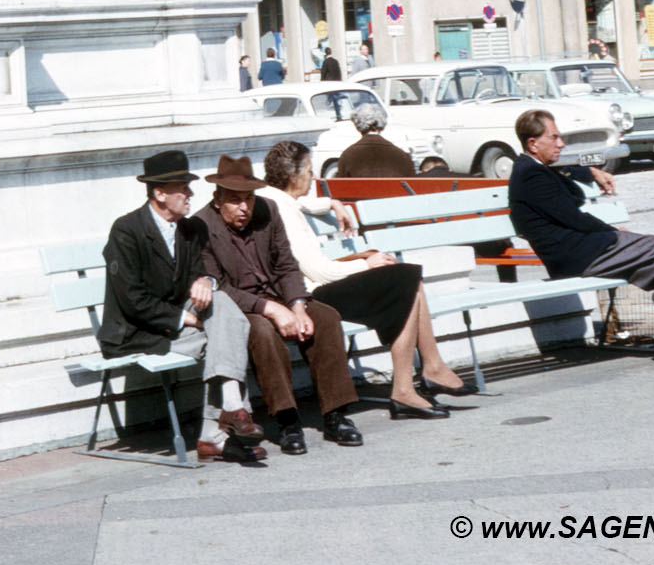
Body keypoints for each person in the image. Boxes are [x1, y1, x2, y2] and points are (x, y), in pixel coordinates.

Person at [508, 111, 654, 372]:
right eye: (554, 138)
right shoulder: (530, 176)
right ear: (533, 143)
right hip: (577, 256)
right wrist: (614, 232)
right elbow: (574, 219)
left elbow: (561, 174)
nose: (561, 143)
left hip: (585, 250)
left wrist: (590, 170)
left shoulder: (534, 168)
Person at [262, 140, 466, 414]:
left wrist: (333, 203)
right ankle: (417, 379)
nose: (312, 177)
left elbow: (303, 206)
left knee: (406, 279)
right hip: (312, 296)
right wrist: (367, 265)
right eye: (309, 170)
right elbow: (320, 271)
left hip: (312, 288)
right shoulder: (283, 211)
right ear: (293, 175)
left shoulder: (273, 197)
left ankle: (425, 372)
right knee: (405, 278)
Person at [100, 149, 265, 465]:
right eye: (182, 188)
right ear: (159, 194)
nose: (190, 194)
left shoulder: (191, 230)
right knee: (227, 332)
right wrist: (187, 318)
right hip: (139, 332)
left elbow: (197, 275)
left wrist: (206, 280)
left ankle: (227, 418)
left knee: (224, 314)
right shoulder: (127, 231)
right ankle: (217, 431)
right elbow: (132, 300)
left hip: (181, 328)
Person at [196, 153, 364, 453]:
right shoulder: (201, 226)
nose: (244, 207)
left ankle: (336, 415)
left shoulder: (268, 209)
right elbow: (217, 286)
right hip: (241, 308)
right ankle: (287, 420)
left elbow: (287, 264)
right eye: (235, 200)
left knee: (325, 318)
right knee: (262, 332)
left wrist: (297, 306)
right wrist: (271, 309)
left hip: (279, 294)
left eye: (248, 198)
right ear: (218, 199)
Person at [335, 101, 419, 178]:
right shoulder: (402, 156)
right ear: (382, 123)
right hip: (393, 194)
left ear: (357, 125)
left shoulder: (348, 155)